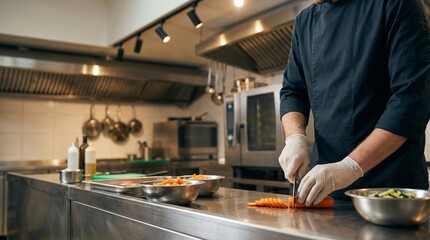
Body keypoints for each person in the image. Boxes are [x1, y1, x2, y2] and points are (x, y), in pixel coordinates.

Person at [278, 0, 430, 206]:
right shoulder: (305, 21)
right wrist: (294, 138)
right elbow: (293, 91)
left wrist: (351, 167)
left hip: (388, 192)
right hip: (324, 192)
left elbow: (412, 99)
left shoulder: (397, 4)